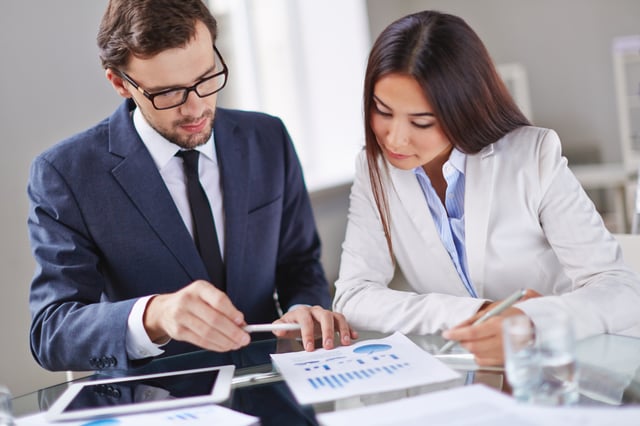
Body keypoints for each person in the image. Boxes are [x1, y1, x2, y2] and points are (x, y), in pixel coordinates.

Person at [27, 0, 355, 372]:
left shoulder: (268, 138)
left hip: (273, 389)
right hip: (156, 403)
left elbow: (300, 265)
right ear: (120, 83)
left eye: (205, 78)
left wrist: (303, 308)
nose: (196, 108)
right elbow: (50, 332)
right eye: (168, 92)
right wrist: (155, 315)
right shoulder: (66, 174)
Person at [332, 10, 640, 366]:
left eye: (422, 121)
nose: (396, 138)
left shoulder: (533, 155)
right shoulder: (374, 170)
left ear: (463, 109)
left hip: (565, 369)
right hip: (467, 374)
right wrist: (480, 313)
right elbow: (354, 296)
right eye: (382, 111)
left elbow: (620, 289)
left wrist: (534, 322)